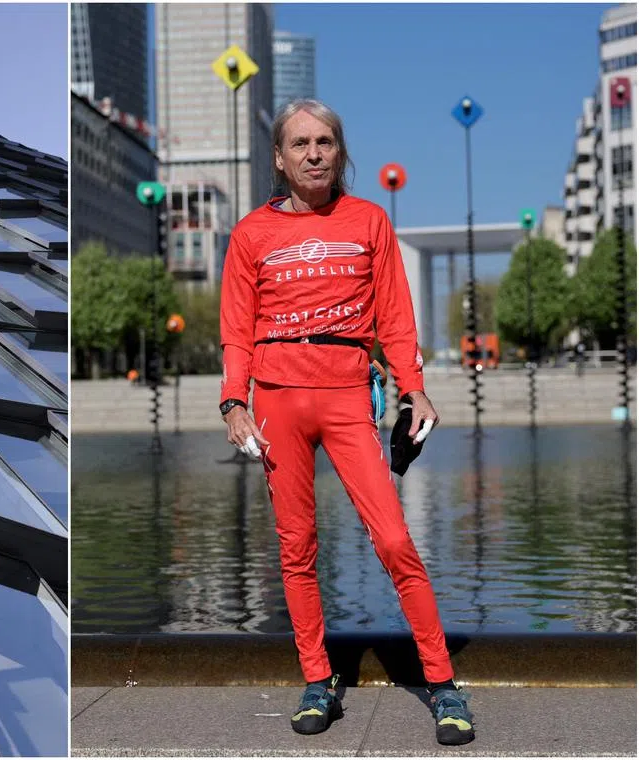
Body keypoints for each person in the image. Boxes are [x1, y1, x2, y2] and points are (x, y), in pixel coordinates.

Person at [219, 99, 474, 746]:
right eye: (300, 143)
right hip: (276, 400)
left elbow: (394, 313)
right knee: (297, 547)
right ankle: (316, 679)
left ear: (340, 152)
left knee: (392, 541)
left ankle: (443, 685)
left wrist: (414, 390)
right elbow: (236, 329)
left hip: (346, 398)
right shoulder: (250, 234)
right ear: (278, 158)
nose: (313, 153)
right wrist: (233, 402)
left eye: (325, 141)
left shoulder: (369, 221)